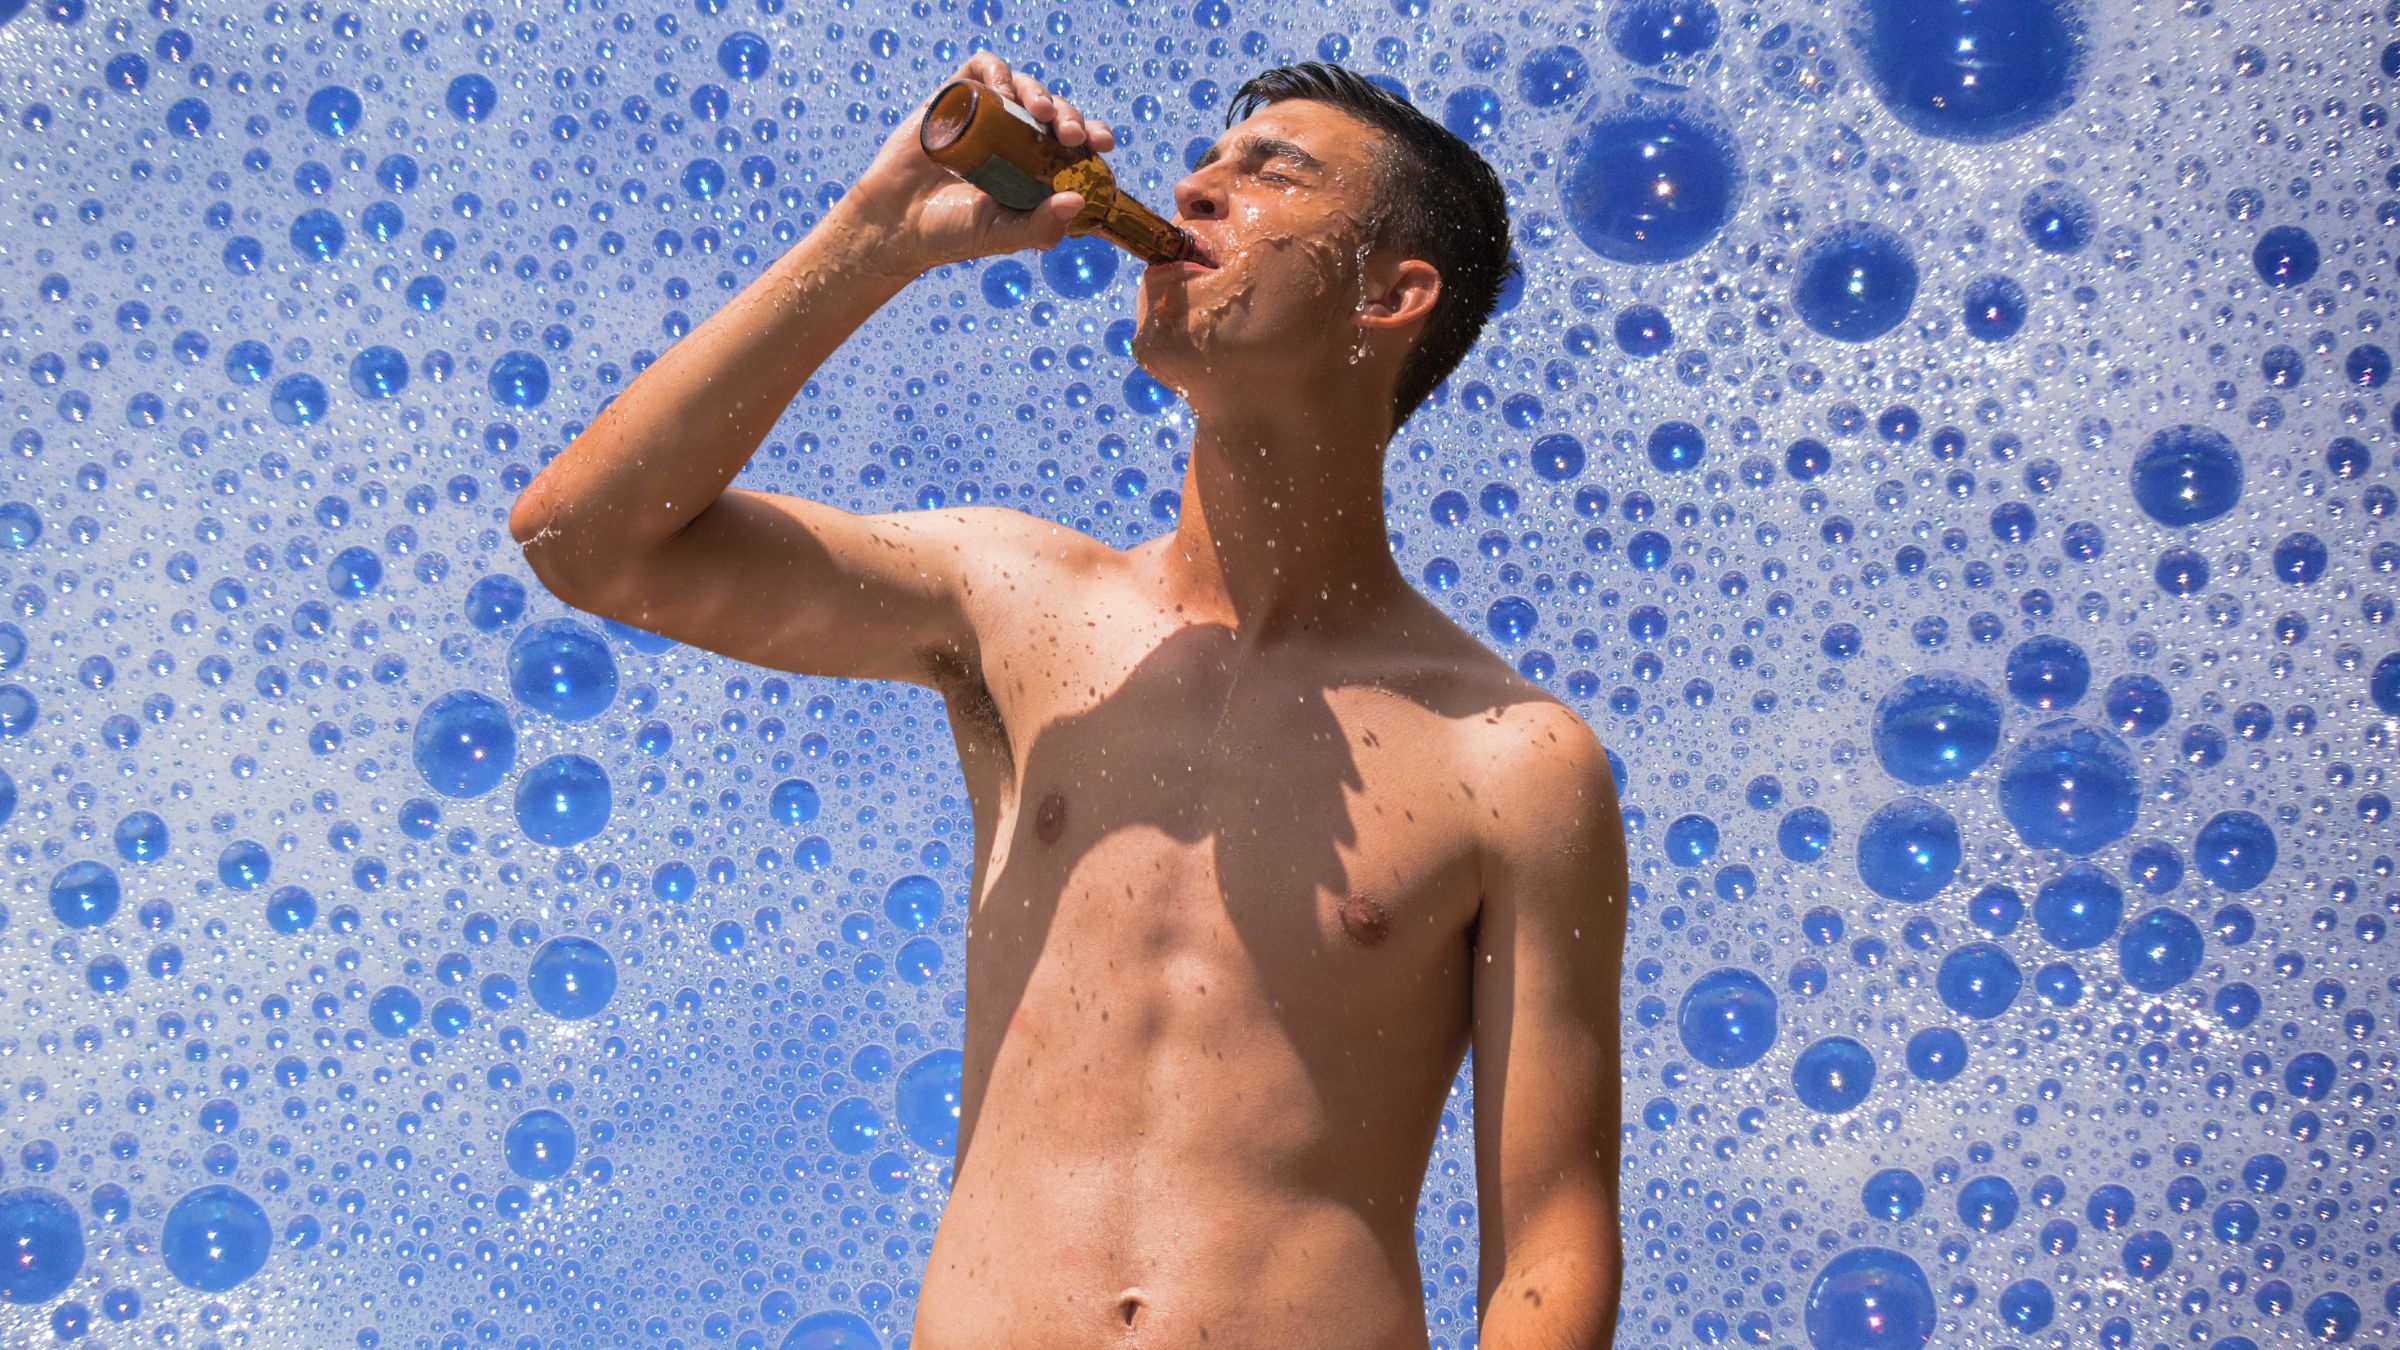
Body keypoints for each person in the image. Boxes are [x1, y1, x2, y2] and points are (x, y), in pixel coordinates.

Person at [510, 50, 1627, 1350]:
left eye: (1271, 173)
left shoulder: (1515, 761)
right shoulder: (1015, 602)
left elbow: (1551, 1244)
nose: (1197, 187)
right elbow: (585, 541)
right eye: (1203, 162)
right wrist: (877, 237)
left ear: (1392, 292)